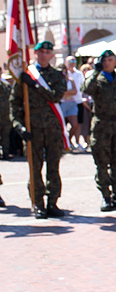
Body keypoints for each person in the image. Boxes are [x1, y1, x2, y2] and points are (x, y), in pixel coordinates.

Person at [11, 41, 68, 219]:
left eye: (47, 52)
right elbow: (14, 104)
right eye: (40, 52)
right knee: (34, 168)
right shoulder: (24, 76)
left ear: (51, 55)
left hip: (52, 128)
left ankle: (52, 203)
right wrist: (19, 126)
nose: (43, 55)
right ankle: (37, 204)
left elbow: (56, 96)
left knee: (53, 166)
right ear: (35, 53)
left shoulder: (57, 76)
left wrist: (35, 85)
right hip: (32, 128)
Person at [83, 50, 116, 211]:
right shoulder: (96, 80)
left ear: (115, 62)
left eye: (110, 60)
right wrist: (96, 71)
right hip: (101, 125)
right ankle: (106, 197)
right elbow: (86, 89)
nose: (107, 63)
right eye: (104, 60)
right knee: (101, 162)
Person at [61, 56, 86, 152]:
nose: (72, 63)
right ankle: (65, 143)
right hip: (62, 103)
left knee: (76, 124)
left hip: (76, 101)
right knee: (63, 125)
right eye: (70, 61)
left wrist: (67, 93)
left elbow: (76, 90)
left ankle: (74, 142)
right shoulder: (60, 76)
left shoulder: (78, 74)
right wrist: (68, 93)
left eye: (74, 61)